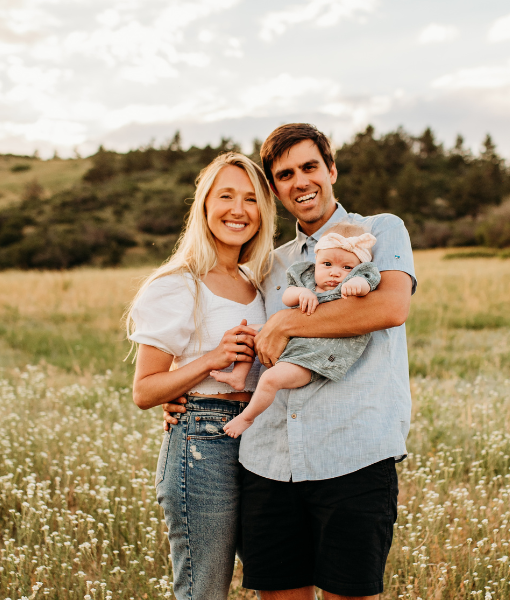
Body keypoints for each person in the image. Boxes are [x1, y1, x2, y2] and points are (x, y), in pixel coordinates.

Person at [164, 123, 417, 600]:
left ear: (331, 169)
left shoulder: (380, 230)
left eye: (309, 167)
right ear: (275, 189)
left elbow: (390, 307)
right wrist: (185, 392)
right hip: (269, 464)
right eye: (285, 175)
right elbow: (238, 336)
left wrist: (287, 322)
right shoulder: (269, 264)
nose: (300, 182)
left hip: (352, 456)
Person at [125, 152, 277, 600]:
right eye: (225, 196)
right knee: (204, 590)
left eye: (251, 198)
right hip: (203, 443)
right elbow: (145, 390)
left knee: (279, 578)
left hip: (262, 440)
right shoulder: (178, 283)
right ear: (204, 204)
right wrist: (210, 360)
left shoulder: (258, 281)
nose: (238, 209)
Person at [213, 222, 381, 438]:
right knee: (246, 331)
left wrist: (357, 284)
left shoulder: (355, 282)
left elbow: (368, 282)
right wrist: (302, 293)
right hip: (289, 337)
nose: (335, 273)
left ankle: (247, 417)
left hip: (312, 358)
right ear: (316, 261)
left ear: (359, 268)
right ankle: (239, 375)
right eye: (327, 264)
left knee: (270, 379)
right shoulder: (307, 278)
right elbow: (287, 296)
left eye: (347, 268)